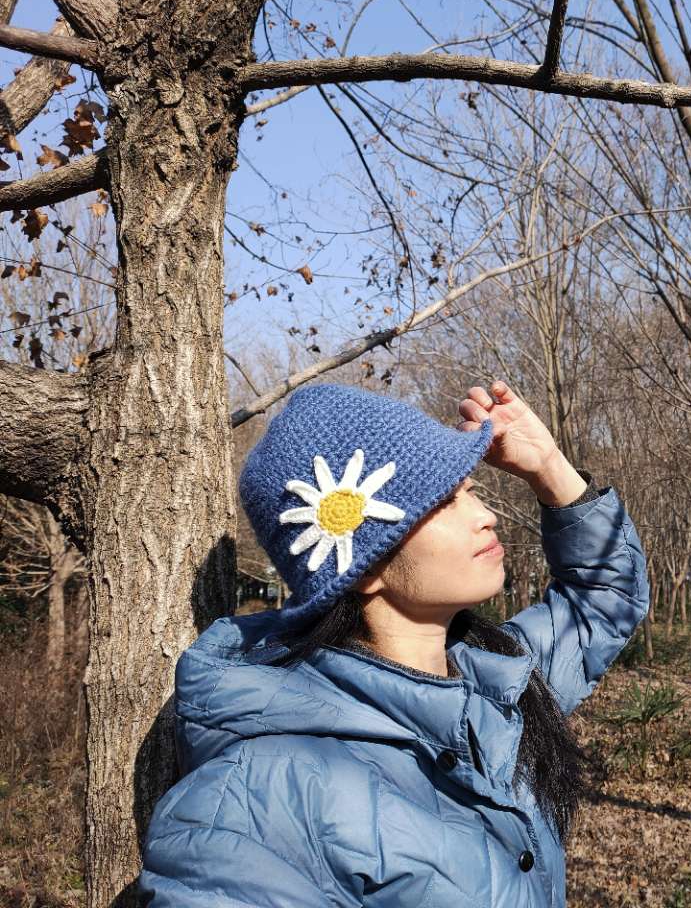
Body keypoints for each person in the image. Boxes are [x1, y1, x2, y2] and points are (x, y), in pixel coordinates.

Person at [137, 380, 650, 907]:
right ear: (361, 566)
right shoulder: (255, 802)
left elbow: (604, 600)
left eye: (471, 491)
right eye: (445, 501)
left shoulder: (495, 685)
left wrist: (549, 468)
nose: (486, 516)